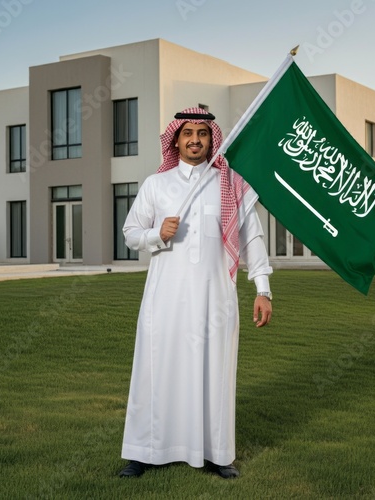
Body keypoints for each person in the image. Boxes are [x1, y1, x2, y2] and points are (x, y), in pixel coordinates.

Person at [119, 107, 273, 479]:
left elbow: (252, 237)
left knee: (214, 373)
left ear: (211, 139)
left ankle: (218, 454)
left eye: (202, 133)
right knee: (155, 372)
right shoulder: (156, 185)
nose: (194, 140)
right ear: (175, 139)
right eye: (187, 133)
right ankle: (143, 452)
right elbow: (130, 233)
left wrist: (263, 289)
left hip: (214, 299)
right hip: (164, 300)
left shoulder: (231, 183)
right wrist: (158, 234)